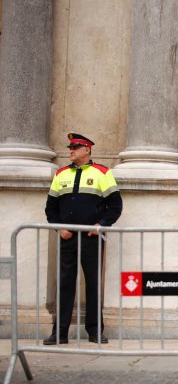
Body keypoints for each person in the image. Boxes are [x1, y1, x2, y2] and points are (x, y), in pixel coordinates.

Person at [44, 133, 123, 345]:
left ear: (87, 150)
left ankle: (95, 331)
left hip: (91, 239)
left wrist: (102, 225)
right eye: (70, 147)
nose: (70, 150)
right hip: (67, 238)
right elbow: (51, 208)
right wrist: (58, 228)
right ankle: (59, 333)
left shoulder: (102, 173)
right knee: (65, 285)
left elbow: (115, 206)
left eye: (75, 147)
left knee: (93, 285)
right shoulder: (61, 174)